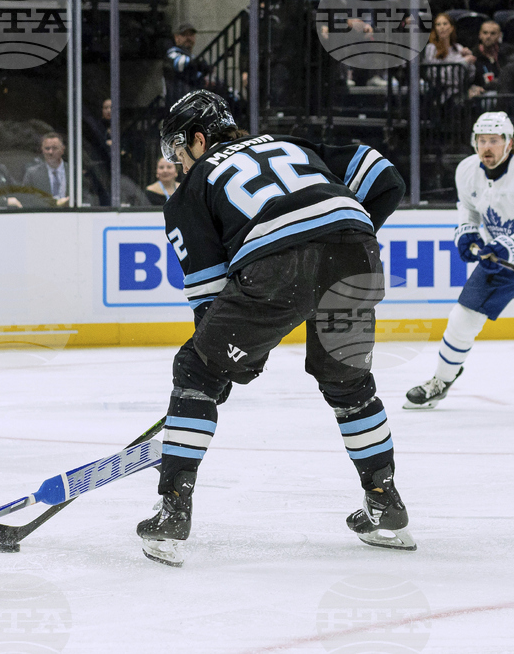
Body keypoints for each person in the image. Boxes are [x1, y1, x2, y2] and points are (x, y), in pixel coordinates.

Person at [136, 90, 410, 567]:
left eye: (179, 151)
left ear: (199, 139)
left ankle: (173, 511)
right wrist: (346, 235)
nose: (180, 163)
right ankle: (385, 501)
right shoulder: (291, 143)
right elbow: (386, 178)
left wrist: (215, 372)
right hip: (357, 254)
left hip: (280, 265)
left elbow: (209, 296)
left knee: (195, 370)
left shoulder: (191, 189)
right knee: (349, 384)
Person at [404, 112, 514, 409]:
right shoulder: (467, 169)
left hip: (504, 252)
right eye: (482, 140)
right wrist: (466, 230)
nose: (487, 147)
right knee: (462, 320)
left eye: (494, 140)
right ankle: (441, 381)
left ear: (510, 143)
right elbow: (468, 207)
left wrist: (506, 246)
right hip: (502, 260)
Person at [164, 23, 211, 107]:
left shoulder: (193, 57)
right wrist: (199, 64)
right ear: (176, 38)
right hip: (178, 103)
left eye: (191, 35)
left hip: (194, 103)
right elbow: (180, 64)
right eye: (184, 35)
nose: (188, 38)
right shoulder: (172, 53)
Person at [468, 21, 514, 99]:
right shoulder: (473, 54)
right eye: (485, 33)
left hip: (505, 93)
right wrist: (473, 88)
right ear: (480, 35)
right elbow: (469, 82)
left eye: (493, 33)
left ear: (499, 35)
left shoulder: (507, 52)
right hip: (483, 95)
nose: (488, 36)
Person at [22, 132, 70, 207]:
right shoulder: (32, 174)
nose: (50, 152)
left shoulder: (74, 172)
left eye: (54, 148)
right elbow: (26, 199)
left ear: (62, 150)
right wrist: (54, 203)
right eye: (47, 148)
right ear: (42, 150)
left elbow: (85, 196)